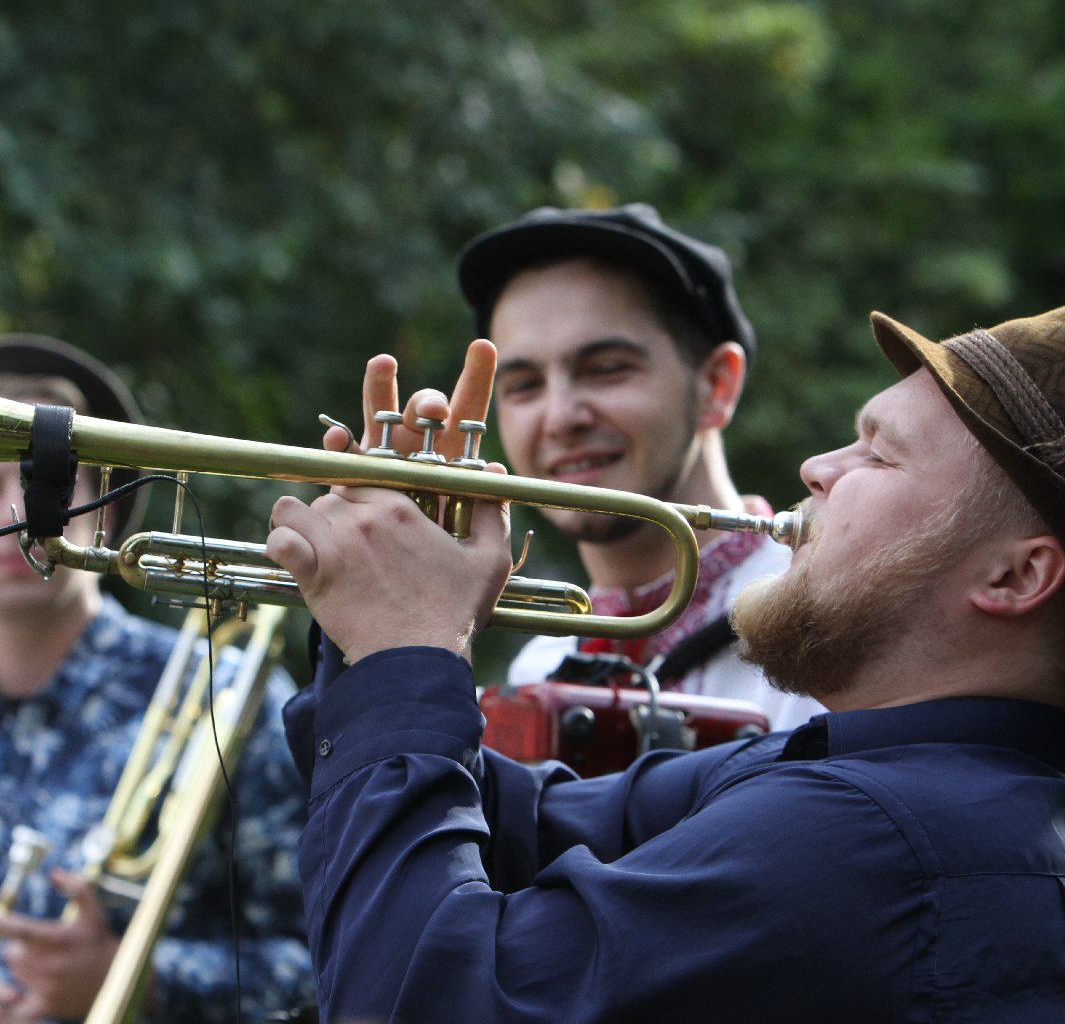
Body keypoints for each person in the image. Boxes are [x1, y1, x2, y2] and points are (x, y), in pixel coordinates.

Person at [272, 306, 1065, 1022]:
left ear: (1014, 576)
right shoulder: (894, 770)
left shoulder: (867, 834)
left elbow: (421, 998)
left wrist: (402, 645)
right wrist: (375, 626)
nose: (818, 467)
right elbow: (527, 826)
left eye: (880, 458)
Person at [0, 337, 312, 1024]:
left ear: (103, 506)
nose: (16, 513)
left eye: (46, 484)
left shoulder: (225, 698)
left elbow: (335, 964)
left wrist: (137, 983)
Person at [457, 204, 819, 727]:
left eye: (606, 369)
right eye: (523, 386)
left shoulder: (825, 626)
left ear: (716, 385)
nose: (560, 418)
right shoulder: (537, 671)